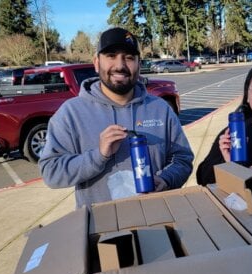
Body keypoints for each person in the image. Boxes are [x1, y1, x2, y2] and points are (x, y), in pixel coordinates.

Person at [39, 27, 194, 208]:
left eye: (129, 57)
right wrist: (98, 155)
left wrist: (166, 180)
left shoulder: (160, 109)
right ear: (97, 62)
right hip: (101, 228)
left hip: (156, 218)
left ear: (138, 63)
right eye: (111, 56)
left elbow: (183, 159)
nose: (120, 65)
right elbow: (51, 172)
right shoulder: (71, 113)